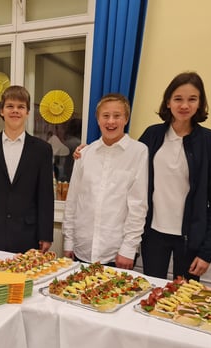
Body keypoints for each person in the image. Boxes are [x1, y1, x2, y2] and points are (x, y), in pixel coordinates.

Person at [138, 71, 211, 280]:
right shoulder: (152, 135)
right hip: (153, 233)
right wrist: (88, 152)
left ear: (200, 103)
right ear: (168, 102)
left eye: (192, 99)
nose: (184, 105)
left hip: (191, 239)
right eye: (178, 99)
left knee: (185, 296)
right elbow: (125, 164)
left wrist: (207, 251)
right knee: (152, 290)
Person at [62, 93, 148, 269]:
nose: (111, 121)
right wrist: (68, 241)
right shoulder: (85, 154)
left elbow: (138, 206)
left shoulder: (138, 152)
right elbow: (73, 200)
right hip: (82, 248)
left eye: (117, 116)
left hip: (116, 252)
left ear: (126, 119)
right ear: (98, 119)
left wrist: (128, 248)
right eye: (106, 116)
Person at [0, 85, 54, 253]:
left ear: (28, 112)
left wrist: (46, 234)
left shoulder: (42, 150)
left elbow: (45, 196)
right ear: (1, 111)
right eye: (10, 106)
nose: (15, 111)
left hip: (28, 234)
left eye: (21, 107)